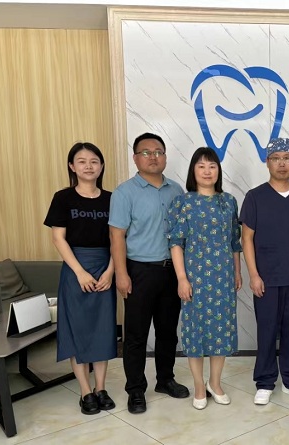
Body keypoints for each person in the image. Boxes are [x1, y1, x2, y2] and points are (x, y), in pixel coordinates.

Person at [109, 132, 190, 414]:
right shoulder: (124, 192)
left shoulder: (176, 190)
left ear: (165, 157)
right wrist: (121, 274)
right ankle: (135, 390)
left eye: (158, 152)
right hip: (139, 271)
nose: (153, 157)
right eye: (146, 152)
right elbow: (117, 237)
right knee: (136, 335)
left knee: (168, 331)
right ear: (135, 158)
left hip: (171, 271)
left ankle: (165, 380)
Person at [240, 138, 289, 406]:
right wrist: (254, 274)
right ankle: (265, 382)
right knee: (267, 331)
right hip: (267, 278)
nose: (282, 163)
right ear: (267, 162)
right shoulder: (255, 197)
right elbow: (246, 238)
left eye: (287, 158)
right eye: (276, 158)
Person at [44, 142, 117, 415]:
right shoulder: (63, 198)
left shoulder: (112, 199)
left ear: (101, 166)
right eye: (82, 161)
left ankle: (101, 388)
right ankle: (85, 391)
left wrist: (111, 271)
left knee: (103, 330)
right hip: (75, 270)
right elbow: (58, 238)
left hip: (105, 268)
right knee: (77, 331)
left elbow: (118, 240)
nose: (88, 166)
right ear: (72, 166)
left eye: (94, 161)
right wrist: (80, 272)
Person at [167, 146, 242, 410]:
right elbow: (176, 242)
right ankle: (199, 386)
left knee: (221, 332)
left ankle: (215, 383)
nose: (207, 171)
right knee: (195, 332)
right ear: (193, 171)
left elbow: (235, 242)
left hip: (223, 279)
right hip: (194, 279)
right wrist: (181, 278)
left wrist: (237, 272)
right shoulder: (183, 202)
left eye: (212, 166)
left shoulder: (228, 201)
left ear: (218, 170)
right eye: (201, 166)